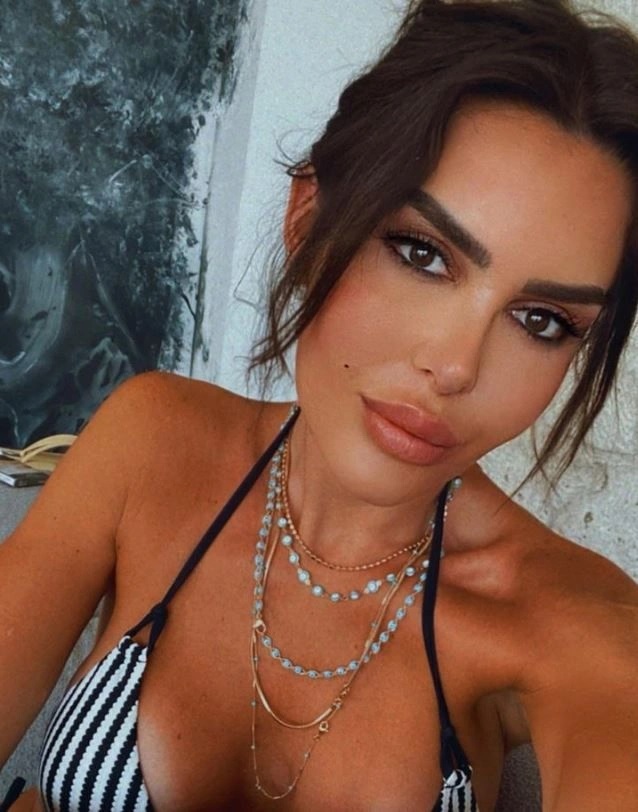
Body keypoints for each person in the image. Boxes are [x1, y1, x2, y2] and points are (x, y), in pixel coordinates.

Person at [2, 0, 638, 809]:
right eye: (422, 253)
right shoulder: (153, 442)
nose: (454, 367)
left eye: (541, 320)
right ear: (308, 221)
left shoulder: (571, 622)